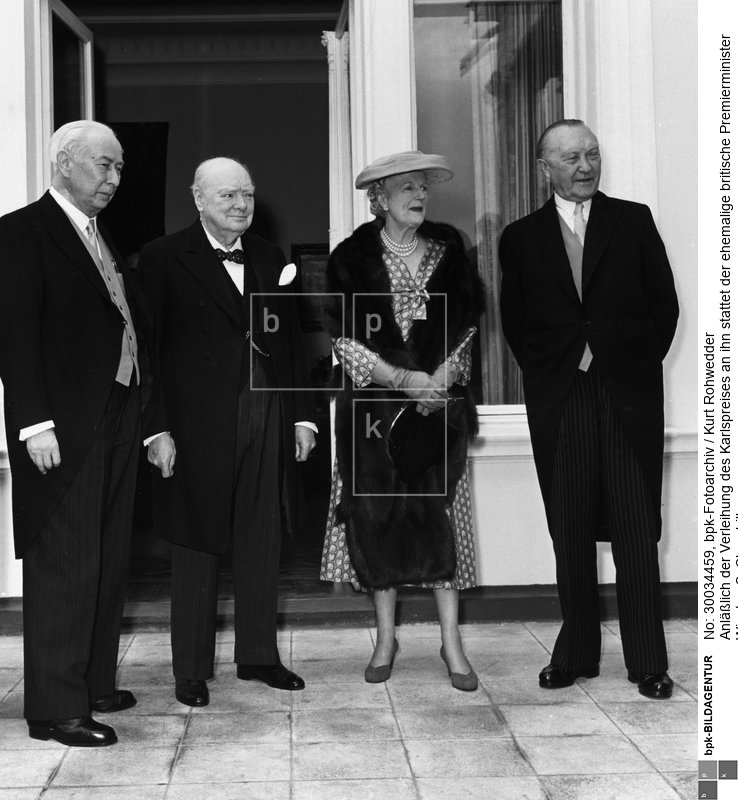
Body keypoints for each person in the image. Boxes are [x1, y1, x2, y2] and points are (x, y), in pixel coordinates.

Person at [499, 120, 679, 699]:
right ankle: (575, 654)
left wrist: (631, 364)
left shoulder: (633, 220)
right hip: (562, 398)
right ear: (543, 167)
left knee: (634, 529)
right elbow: (515, 322)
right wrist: (554, 373)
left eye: (593, 155)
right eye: (572, 157)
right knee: (571, 529)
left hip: (627, 394)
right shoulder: (520, 237)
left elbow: (665, 307)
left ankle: (648, 662)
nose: (585, 166)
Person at [136, 157, 317, 707]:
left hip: (267, 412)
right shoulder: (164, 256)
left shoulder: (268, 256)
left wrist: (302, 416)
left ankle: (258, 655)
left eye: (248, 194)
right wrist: (156, 429)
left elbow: (289, 343)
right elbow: (147, 350)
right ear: (198, 199)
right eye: (228, 196)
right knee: (196, 540)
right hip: (195, 424)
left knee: (263, 534)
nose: (241, 205)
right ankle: (191, 668)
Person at [0, 120, 156, 746]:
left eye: (119, 168)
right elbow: (15, 335)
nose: (114, 179)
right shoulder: (21, 231)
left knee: (108, 557)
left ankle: (92, 683)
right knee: (66, 563)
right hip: (60, 426)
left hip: (116, 413)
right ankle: (57, 708)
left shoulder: (97, 233)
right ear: (64, 163)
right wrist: (33, 423)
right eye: (102, 165)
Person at [321, 151, 484, 691]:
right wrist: (401, 379)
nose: (419, 196)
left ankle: (451, 643)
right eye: (407, 188)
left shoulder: (449, 253)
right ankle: (386, 639)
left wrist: (441, 380)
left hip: (439, 411)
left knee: (442, 519)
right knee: (379, 522)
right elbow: (344, 339)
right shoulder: (350, 259)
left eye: (423, 187)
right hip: (375, 416)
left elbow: (466, 329)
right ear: (379, 198)